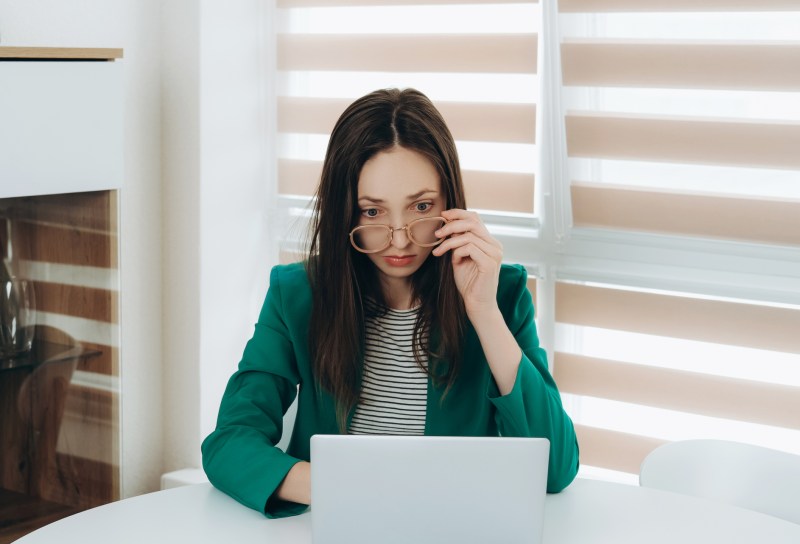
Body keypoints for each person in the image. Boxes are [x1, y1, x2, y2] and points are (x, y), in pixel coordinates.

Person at [201, 88, 579, 518]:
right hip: (332, 531)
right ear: (345, 210)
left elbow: (555, 469)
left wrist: (483, 312)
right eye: (372, 212)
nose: (399, 239)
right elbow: (229, 443)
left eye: (421, 206)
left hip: (454, 531)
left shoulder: (501, 293)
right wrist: (342, 487)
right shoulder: (297, 293)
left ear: (449, 202)